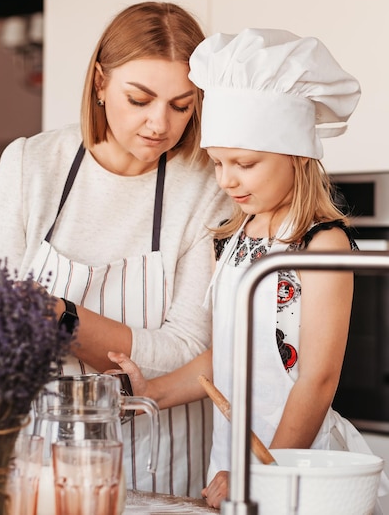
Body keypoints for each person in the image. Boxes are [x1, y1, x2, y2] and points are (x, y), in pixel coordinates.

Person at [108, 28, 389, 509]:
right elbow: (230, 354)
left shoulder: (321, 245)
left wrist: (262, 473)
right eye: (218, 163)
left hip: (296, 468)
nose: (227, 179)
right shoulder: (232, 239)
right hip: (233, 464)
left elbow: (317, 379)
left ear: (297, 157)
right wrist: (151, 390)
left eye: (245, 163)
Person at [0, 1, 233, 498]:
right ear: (100, 82)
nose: (160, 124)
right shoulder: (31, 165)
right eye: (140, 98)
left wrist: (57, 318)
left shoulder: (208, 187)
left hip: (163, 464)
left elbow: (186, 351)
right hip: (43, 457)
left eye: (181, 105)